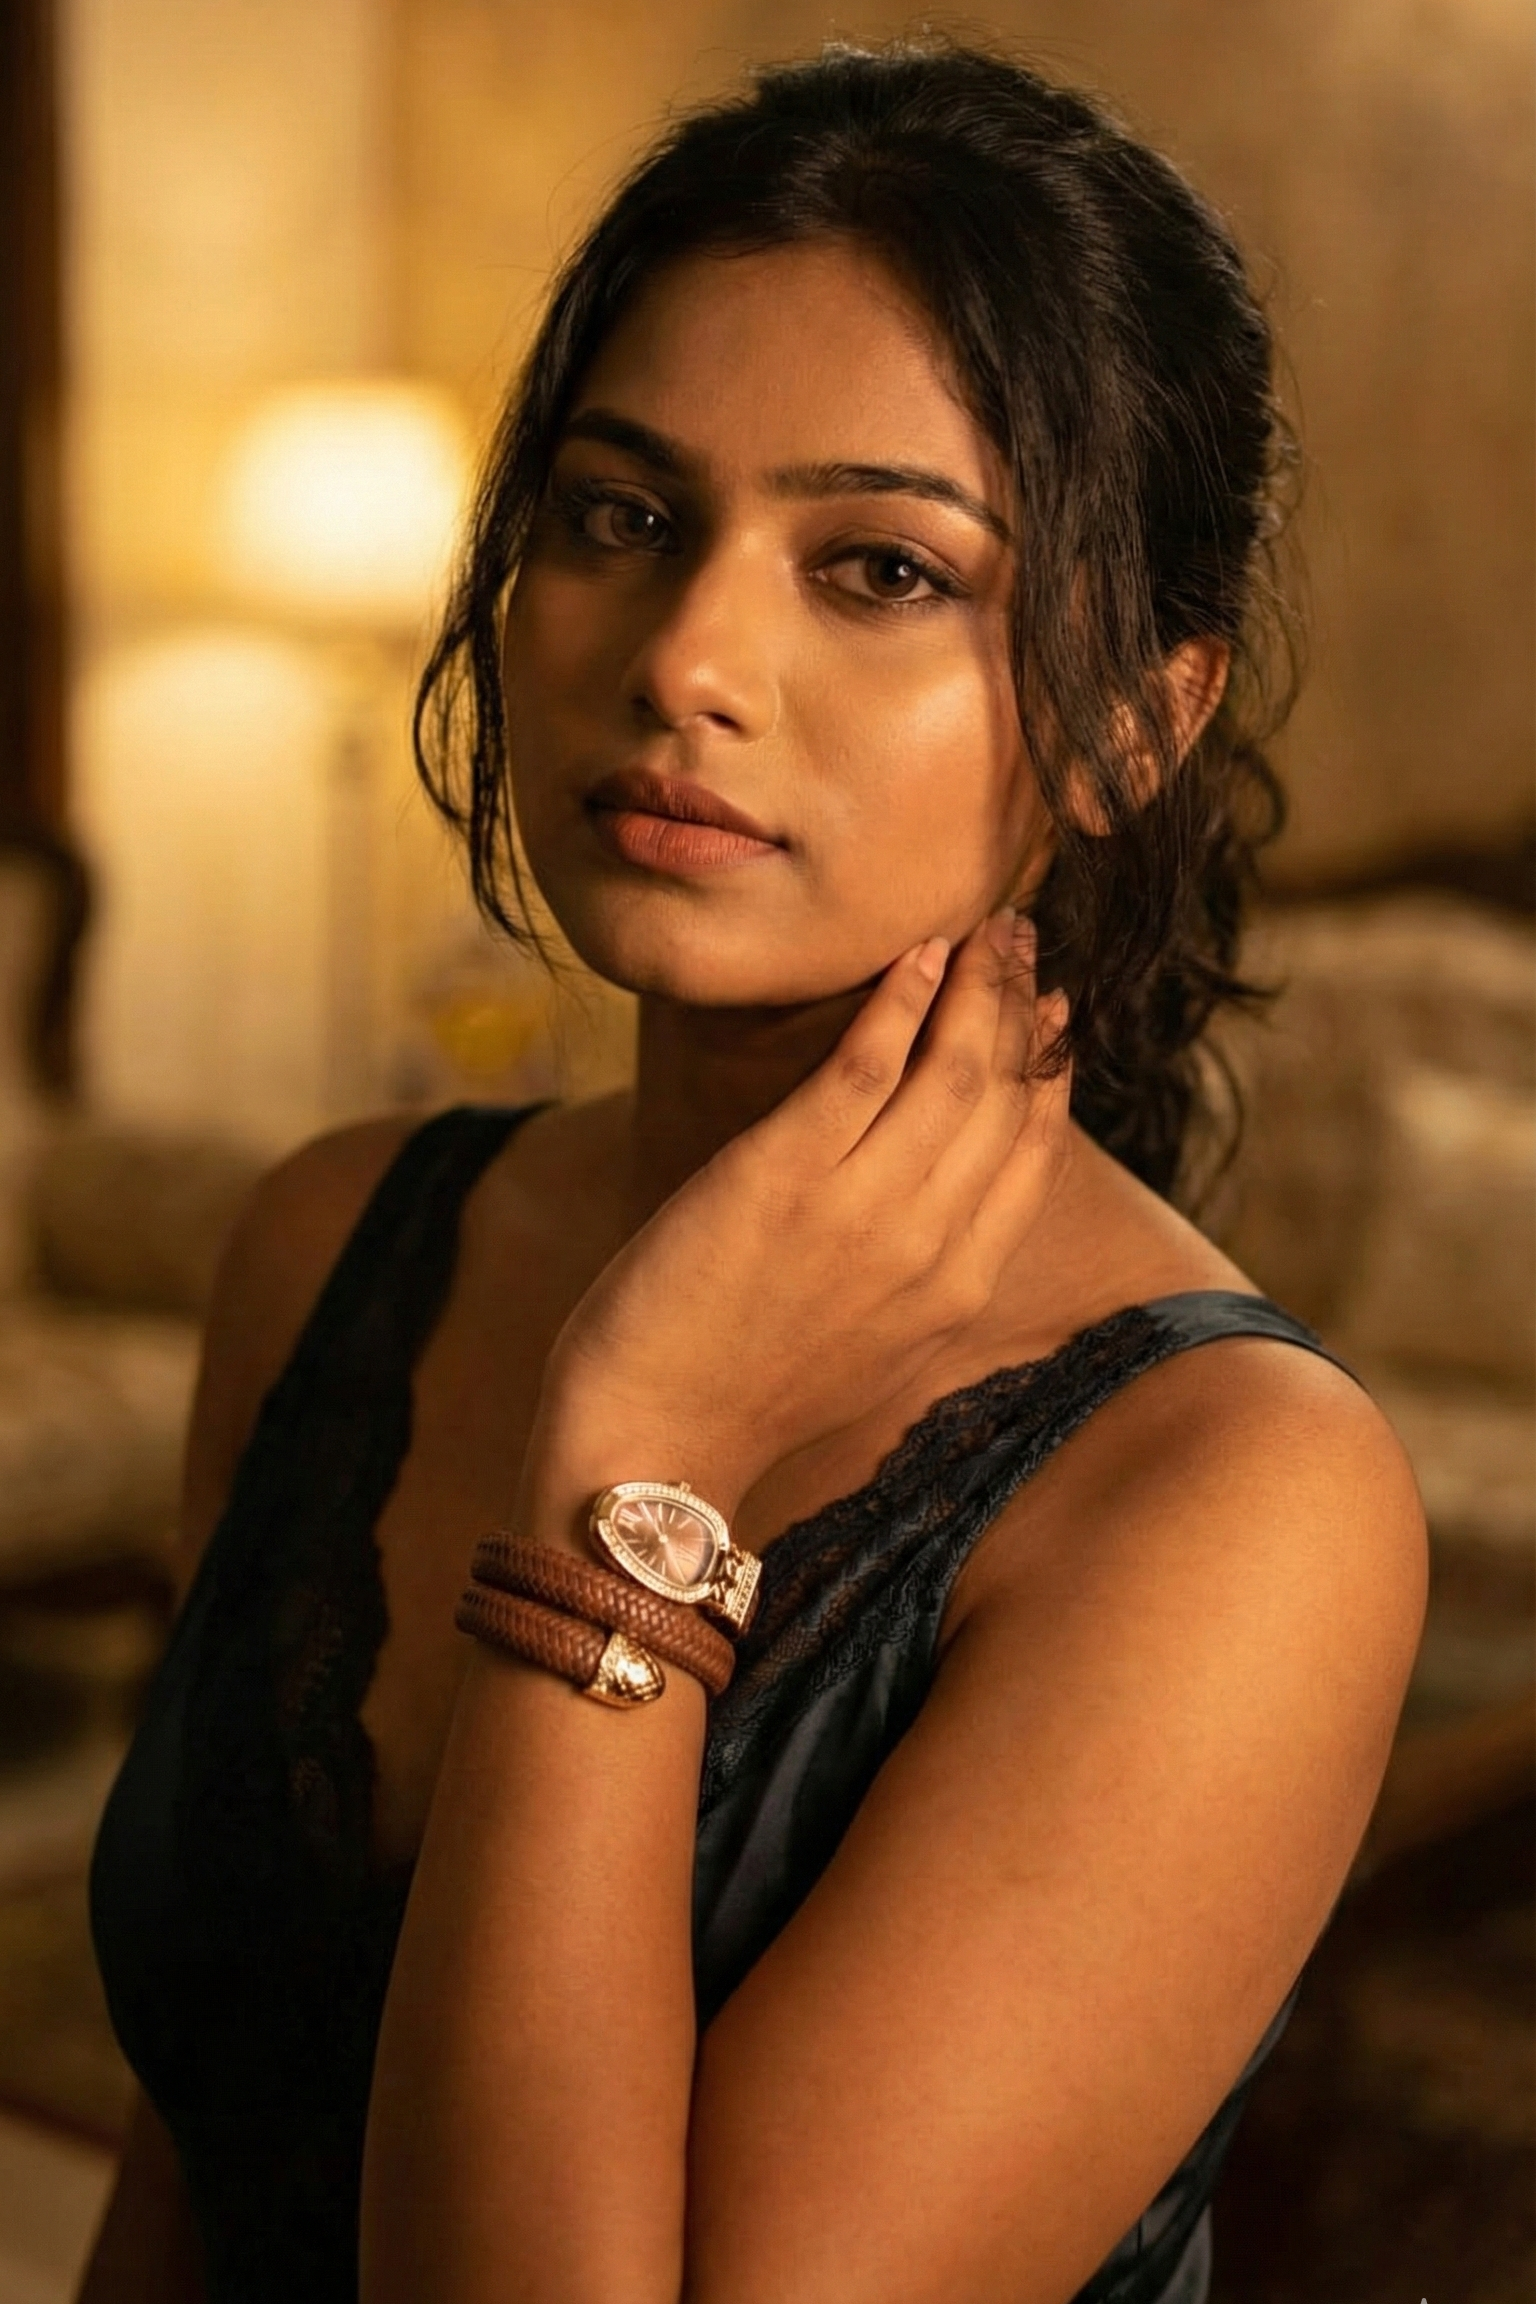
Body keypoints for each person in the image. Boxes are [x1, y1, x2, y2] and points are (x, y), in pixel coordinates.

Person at [82, 38, 1425, 2304]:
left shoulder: (1233, 1502)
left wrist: (638, 1470)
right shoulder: (338, 1237)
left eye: (882, 568)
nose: (688, 656)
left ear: (1131, 721)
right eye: (621, 515)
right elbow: (188, 2166)